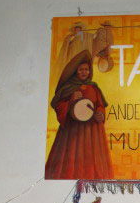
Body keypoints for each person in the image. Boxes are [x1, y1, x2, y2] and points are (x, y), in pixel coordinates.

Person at [45, 49, 114, 180]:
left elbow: (100, 105)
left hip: (92, 131)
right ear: (76, 71)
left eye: (86, 70)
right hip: (72, 132)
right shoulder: (68, 88)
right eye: (81, 69)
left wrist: (100, 113)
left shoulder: (93, 87)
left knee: (93, 158)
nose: (84, 72)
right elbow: (58, 105)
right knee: (72, 158)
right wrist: (71, 100)